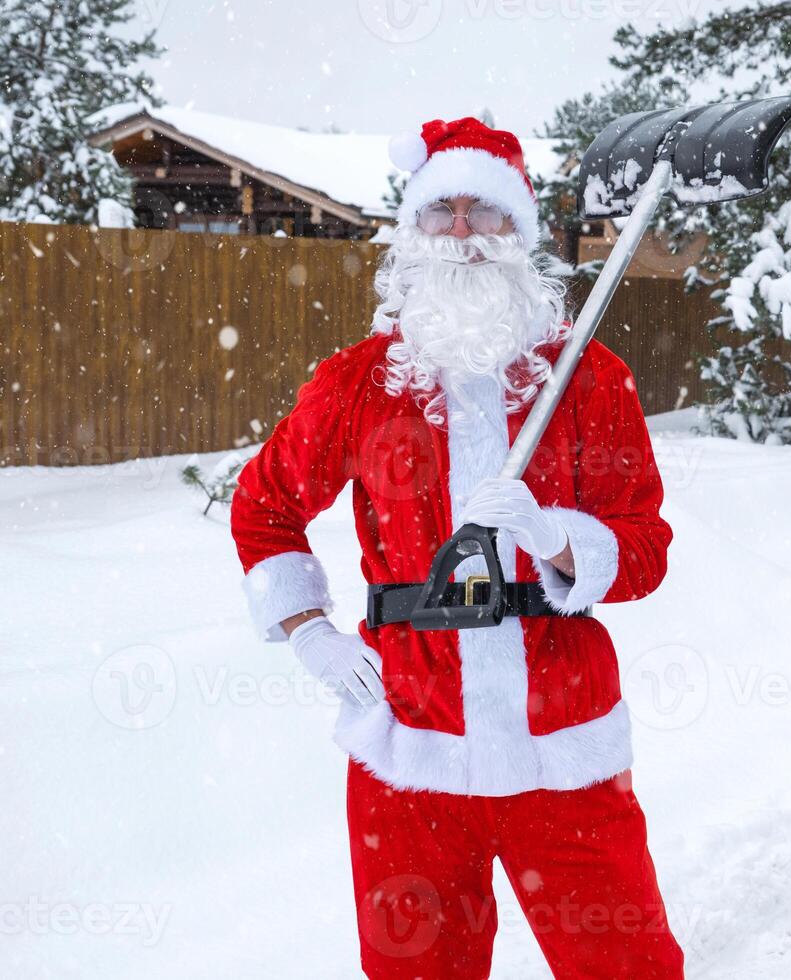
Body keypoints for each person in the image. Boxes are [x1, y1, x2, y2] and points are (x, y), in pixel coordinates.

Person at [229, 116, 685, 979]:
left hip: (567, 749)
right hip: (409, 746)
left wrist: (558, 542)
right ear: (413, 235)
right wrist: (309, 632)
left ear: (521, 232)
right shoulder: (361, 383)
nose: (466, 234)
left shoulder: (588, 377)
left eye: (488, 212)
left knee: (626, 966)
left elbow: (647, 548)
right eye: (444, 213)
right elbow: (263, 507)